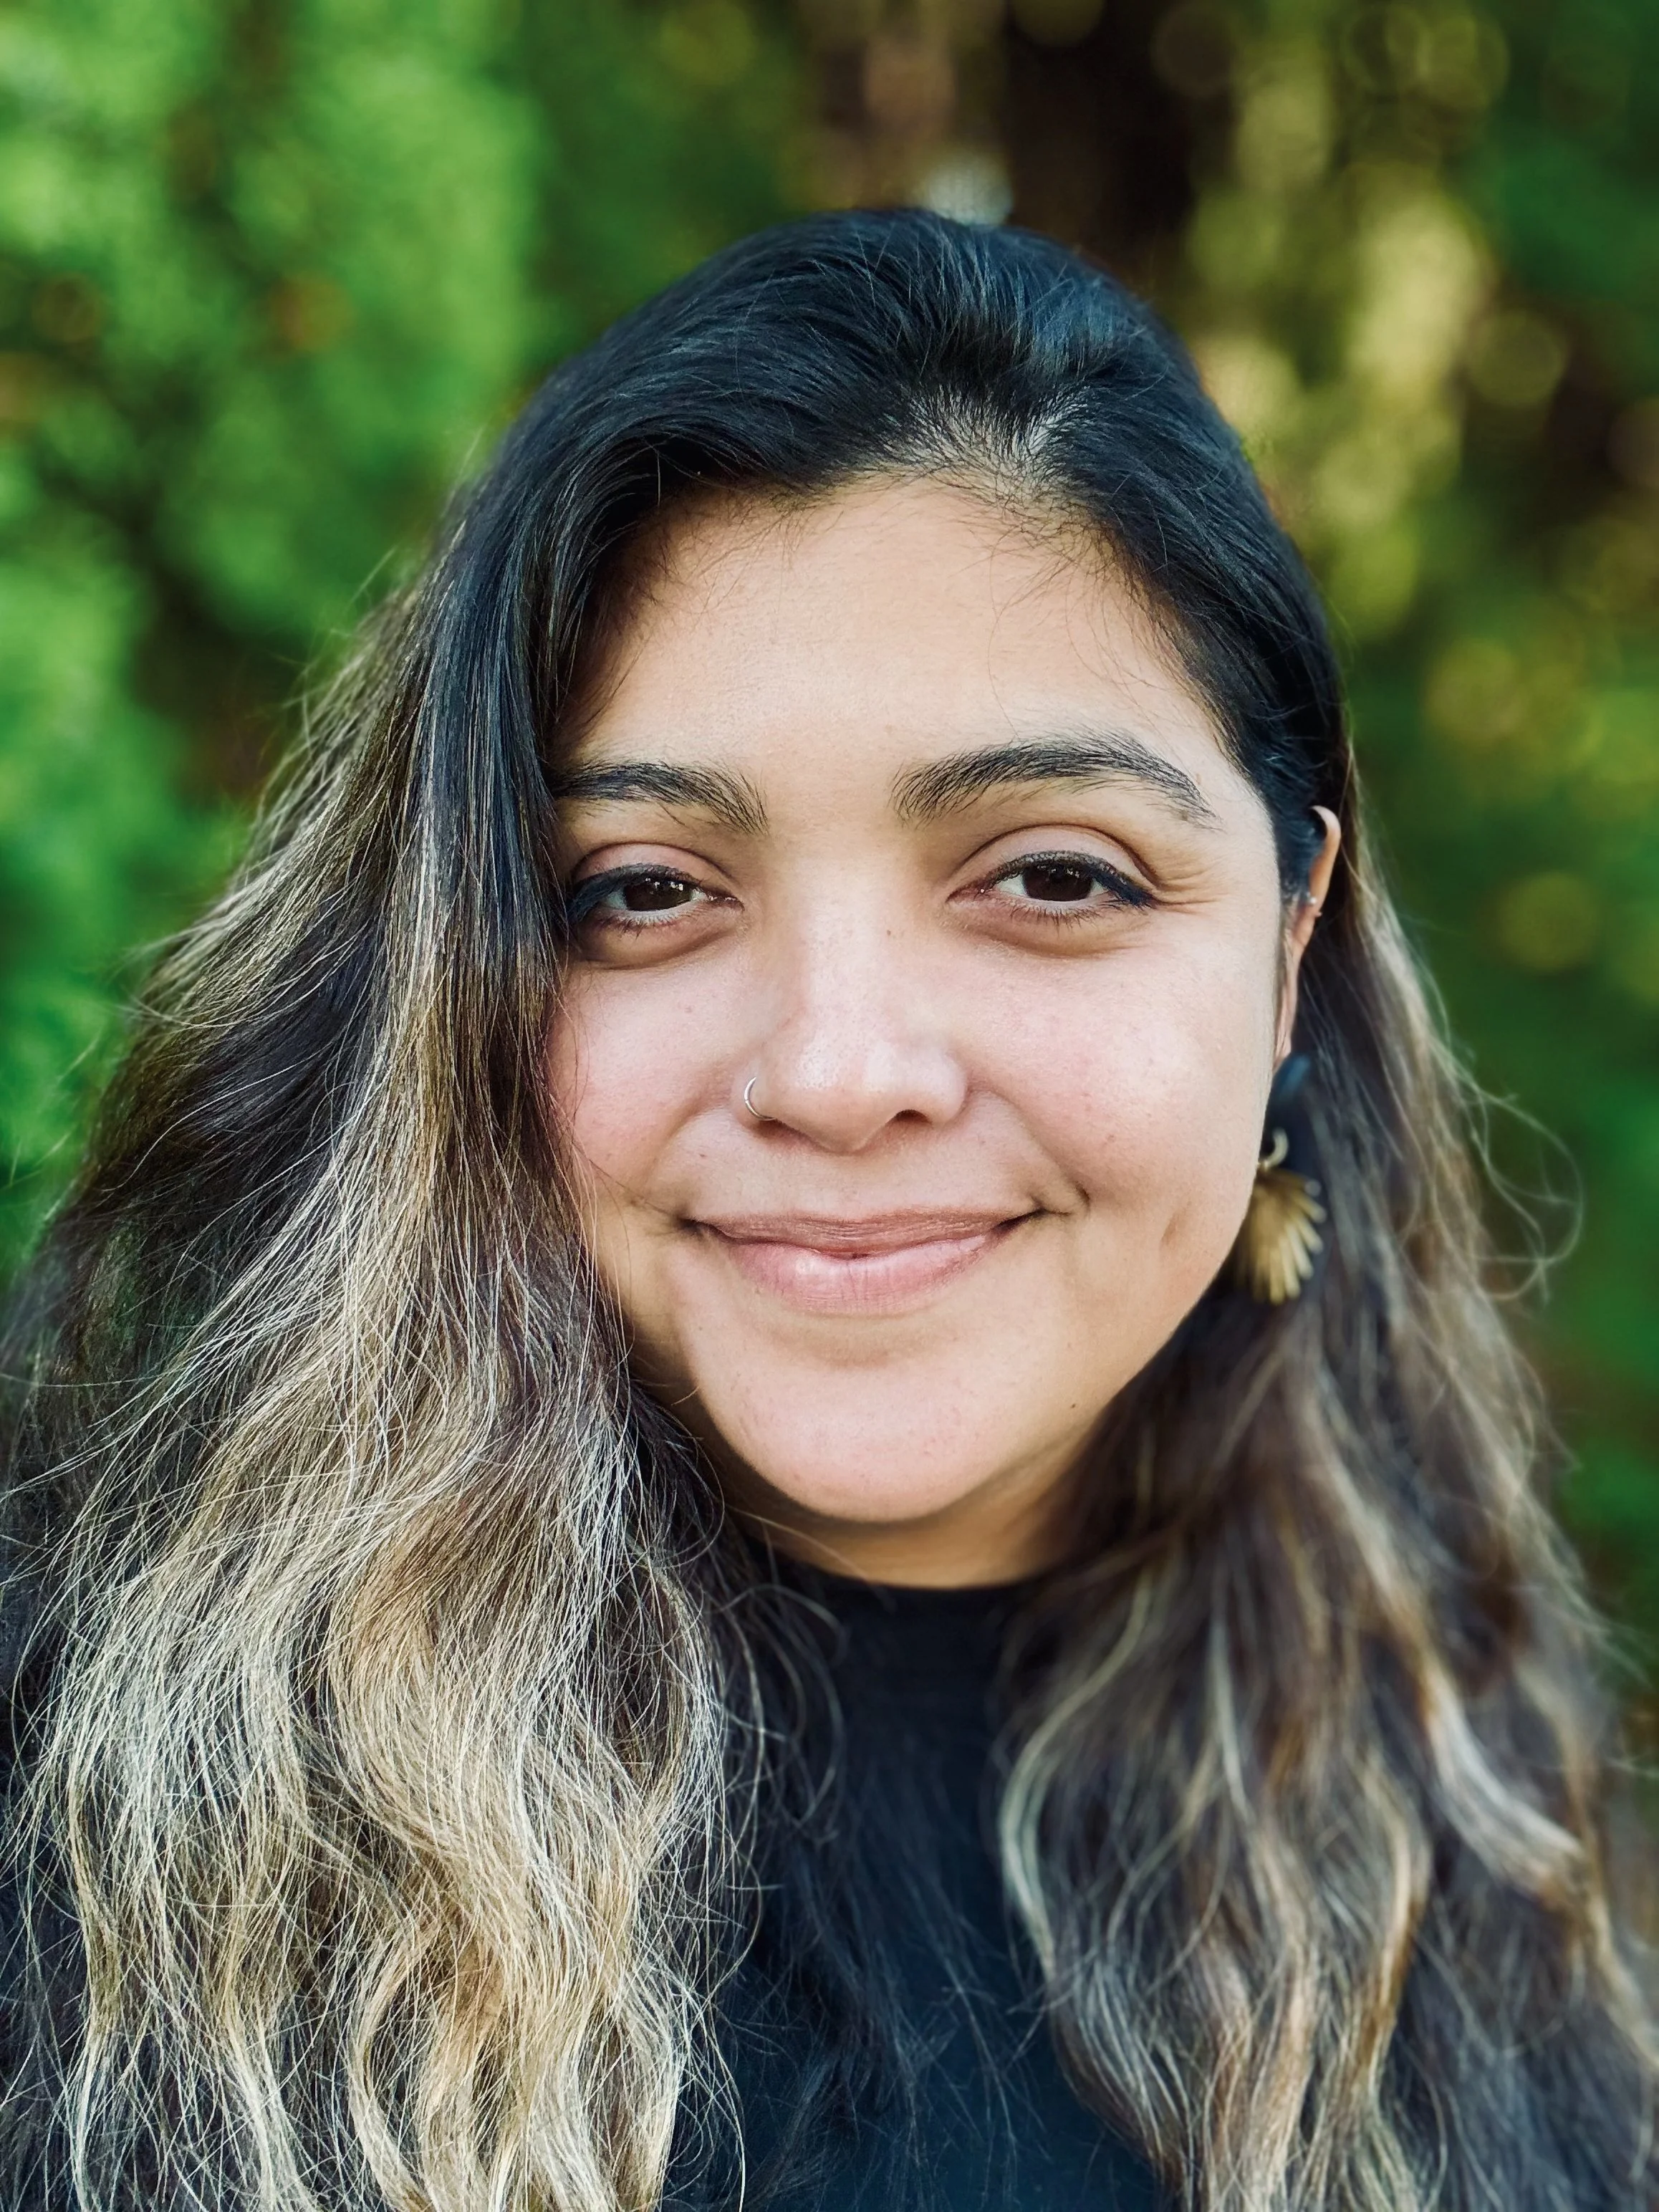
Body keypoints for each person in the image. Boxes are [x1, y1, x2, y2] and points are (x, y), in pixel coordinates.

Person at [0, 208, 1653, 2212]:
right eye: (641, 889)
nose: (836, 1069)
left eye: (1053, 877)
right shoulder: (74, 1834)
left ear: (1288, 944)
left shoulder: (1484, 1852)